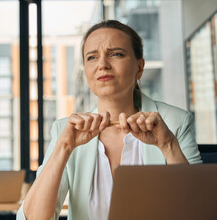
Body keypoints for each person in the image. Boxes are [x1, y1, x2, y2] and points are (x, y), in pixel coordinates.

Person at [17, 20, 202, 220]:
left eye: (116, 54)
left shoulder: (176, 122)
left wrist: (167, 144)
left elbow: (200, 212)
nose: (102, 65)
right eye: (92, 57)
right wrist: (64, 147)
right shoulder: (65, 130)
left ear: (139, 67)